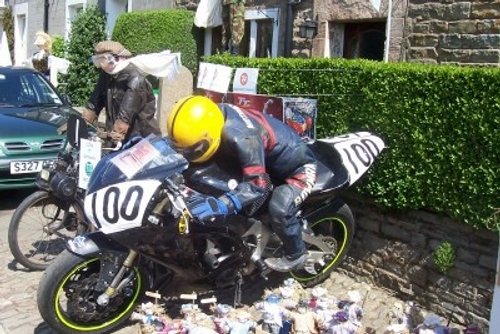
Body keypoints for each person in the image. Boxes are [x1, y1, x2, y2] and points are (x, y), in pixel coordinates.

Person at [166, 95, 318, 272]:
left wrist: (223, 204)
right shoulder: (209, 116)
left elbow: (258, 184)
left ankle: (296, 253)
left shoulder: (243, 139)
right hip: (265, 161)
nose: (188, 153)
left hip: (297, 170)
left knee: (280, 208)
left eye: (194, 149)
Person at [82, 40, 161, 143]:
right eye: (98, 60)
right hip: (119, 138)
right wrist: (82, 123)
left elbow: (126, 113)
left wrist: (117, 133)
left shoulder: (135, 78)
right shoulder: (106, 75)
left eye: (104, 59)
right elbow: (95, 101)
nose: (102, 65)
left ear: (117, 58)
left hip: (141, 138)